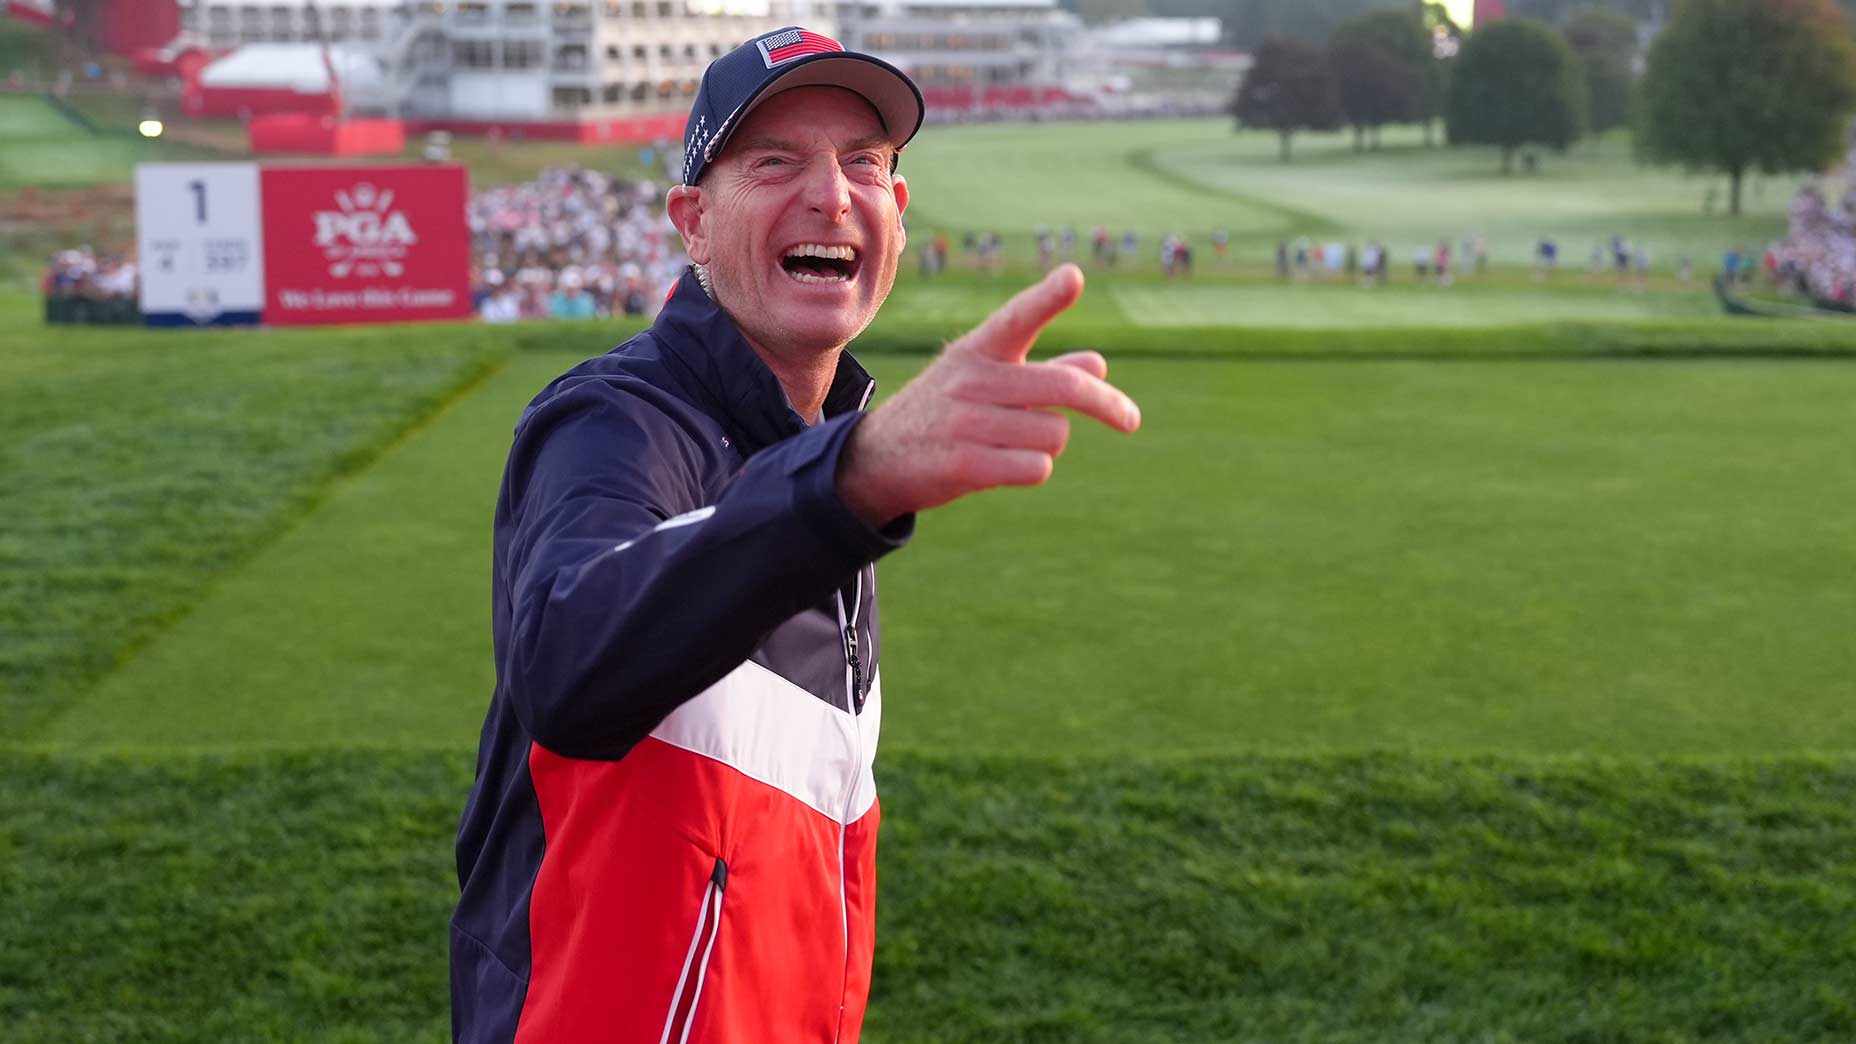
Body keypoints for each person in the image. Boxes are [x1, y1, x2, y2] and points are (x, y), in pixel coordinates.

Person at [449, 27, 1141, 1044]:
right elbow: (566, 659)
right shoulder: (618, 421)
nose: (831, 195)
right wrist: (849, 482)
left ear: (896, 215)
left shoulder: (821, 456)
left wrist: (839, 478)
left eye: (863, 163)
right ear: (691, 221)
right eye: (774, 162)